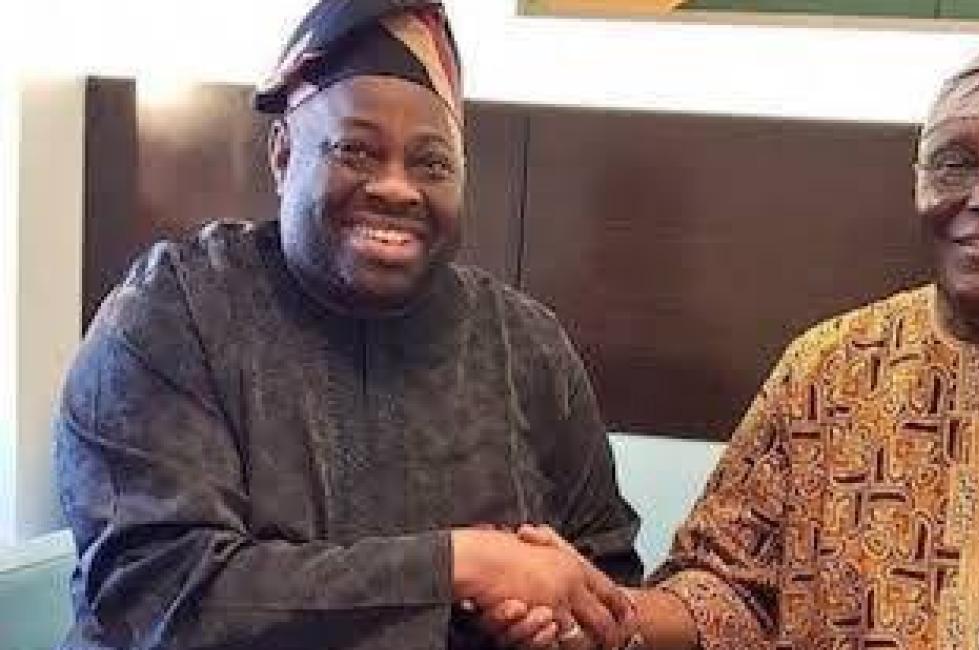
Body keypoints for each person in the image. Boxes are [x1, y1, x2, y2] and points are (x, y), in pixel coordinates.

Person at [494, 35, 979, 649]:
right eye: (954, 164)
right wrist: (603, 613)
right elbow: (731, 591)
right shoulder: (827, 371)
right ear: (917, 184)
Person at [54, 1, 640, 648]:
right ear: (283, 154)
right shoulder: (174, 313)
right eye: (356, 151)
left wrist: (557, 623)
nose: (396, 188)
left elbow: (608, 573)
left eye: (431, 163)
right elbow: (159, 595)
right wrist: (463, 564)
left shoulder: (525, 346)